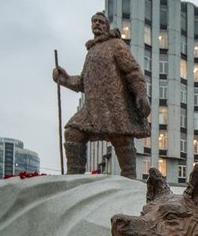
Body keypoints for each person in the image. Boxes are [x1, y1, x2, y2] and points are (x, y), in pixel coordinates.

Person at [53, 13, 150, 177]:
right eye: (94, 21)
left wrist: (141, 93)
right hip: (92, 108)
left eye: (101, 21)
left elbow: (132, 70)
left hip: (114, 105)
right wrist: (66, 79)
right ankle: (73, 177)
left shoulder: (116, 44)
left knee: (122, 139)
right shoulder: (91, 52)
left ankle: (130, 180)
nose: (97, 24)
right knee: (73, 132)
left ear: (107, 26)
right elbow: (83, 82)